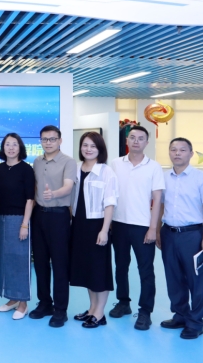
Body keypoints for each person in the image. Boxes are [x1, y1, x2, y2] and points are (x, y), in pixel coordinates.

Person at [157, 137, 203, 340]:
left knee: (196, 281)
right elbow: (160, 206)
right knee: (173, 278)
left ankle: (195, 322)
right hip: (168, 233)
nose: (177, 153)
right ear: (169, 152)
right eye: (173, 149)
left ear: (191, 153)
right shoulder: (163, 177)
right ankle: (180, 315)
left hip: (193, 235)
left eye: (182, 150)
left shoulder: (202, 178)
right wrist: (158, 231)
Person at [109, 125, 165, 330]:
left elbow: (157, 199)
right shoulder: (115, 164)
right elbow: (110, 194)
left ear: (147, 142)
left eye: (141, 138)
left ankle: (145, 311)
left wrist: (153, 228)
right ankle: (123, 302)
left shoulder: (154, 167)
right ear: (127, 140)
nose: (136, 141)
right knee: (120, 266)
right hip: (118, 224)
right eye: (132, 137)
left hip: (143, 226)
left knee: (146, 270)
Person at [30, 125, 77, 327]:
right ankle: (44, 303)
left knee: (59, 264)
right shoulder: (37, 161)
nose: (48, 143)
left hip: (58, 216)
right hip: (38, 215)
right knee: (40, 263)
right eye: (44, 139)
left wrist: (53, 194)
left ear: (60, 140)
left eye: (52, 139)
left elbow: (68, 186)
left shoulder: (69, 161)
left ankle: (60, 309)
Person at [70, 132, 118, 328]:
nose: (88, 149)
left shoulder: (106, 172)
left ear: (100, 149)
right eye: (85, 145)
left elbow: (110, 203)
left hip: (97, 225)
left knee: (99, 269)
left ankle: (100, 313)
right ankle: (91, 309)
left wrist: (105, 230)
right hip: (79, 224)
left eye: (93, 146)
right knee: (87, 269)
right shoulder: (76, 168)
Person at [0, 133, 34, 320]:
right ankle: (13, 298)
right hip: (2, 218)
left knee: (20, 261)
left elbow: (30, 199)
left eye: (14, 144)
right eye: (7, 144)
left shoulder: (26, 169)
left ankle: (23, 303)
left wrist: (25, 224)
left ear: (20, 147)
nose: (11, 148)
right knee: (6, 260)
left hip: (19, 220)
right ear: (3, 147)